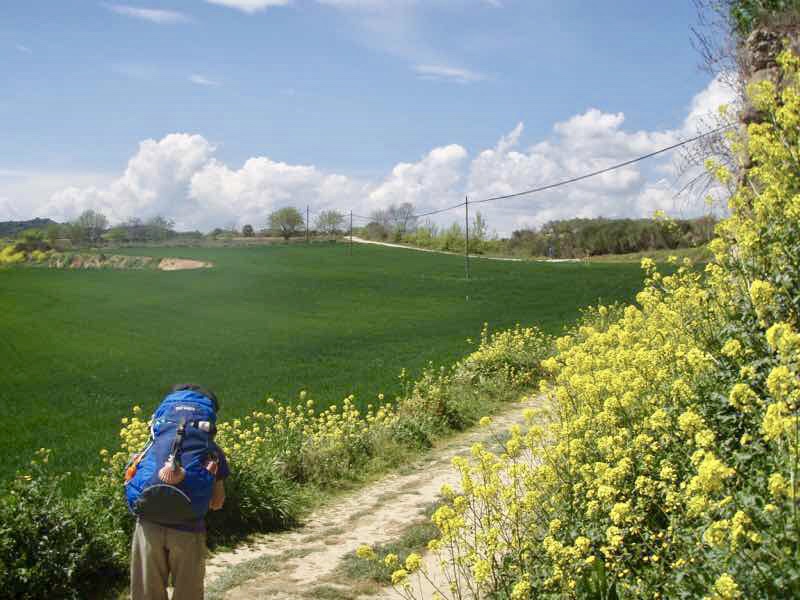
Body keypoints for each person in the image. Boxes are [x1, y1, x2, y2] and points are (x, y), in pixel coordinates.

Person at [129, 383, 229, 600]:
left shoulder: (154, 444)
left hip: (148, 525)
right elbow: (217, 502)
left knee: (146, 594)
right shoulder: (212, 452)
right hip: (188, 528)